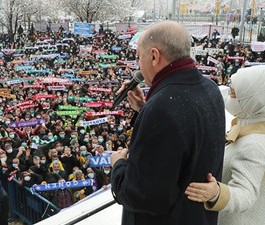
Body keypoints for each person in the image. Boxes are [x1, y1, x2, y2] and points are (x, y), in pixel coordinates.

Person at [110, 21, 226, 225]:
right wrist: (144, 108)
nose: (139, 64)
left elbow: (145, 196)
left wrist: (118, 166)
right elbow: (181, 136)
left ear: (154, 56)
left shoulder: (162, 108)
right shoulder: (210, 88)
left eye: (139, 56)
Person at [185, 66, 265, 225]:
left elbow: (246, 194)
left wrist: (217, 194)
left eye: (233, 93)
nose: (228, 96)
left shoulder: (254, 144)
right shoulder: (246, 128)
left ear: (252, 100)